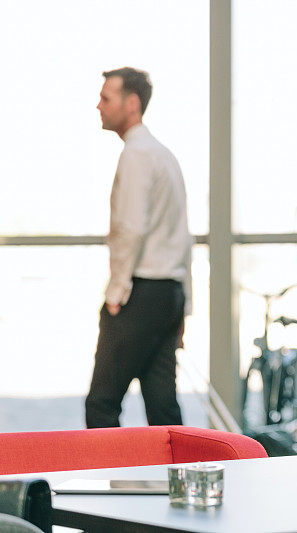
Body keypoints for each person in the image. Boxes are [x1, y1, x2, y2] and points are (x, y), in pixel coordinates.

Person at [85, 67, 192, 428]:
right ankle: (181, 483)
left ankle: (110, 481)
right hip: (168, 294)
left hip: (142, 293)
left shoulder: (137, 154)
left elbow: (129, 228)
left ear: (132, 104)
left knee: (101, 403)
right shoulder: (164, 154)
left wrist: (116, 292)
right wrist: (184, 304)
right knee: (163, 407)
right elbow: (183, 237)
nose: (98, 105)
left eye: (106, 98)